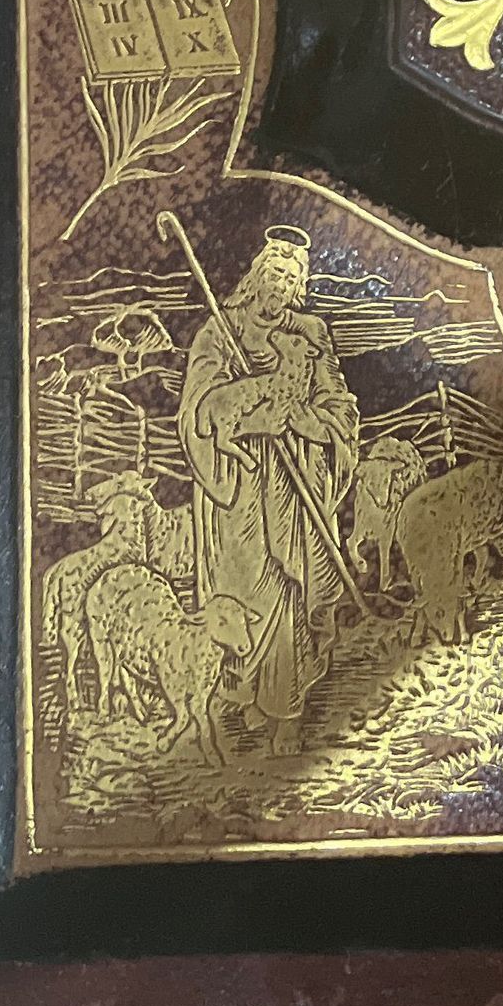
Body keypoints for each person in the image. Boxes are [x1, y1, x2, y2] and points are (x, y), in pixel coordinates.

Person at [177, 225, 359, 747]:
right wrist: (251, 417)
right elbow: (196, 411)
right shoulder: (219, 330)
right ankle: (246, 693)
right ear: (257, 275)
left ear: (300, 286)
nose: (280, 285)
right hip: (236, 487)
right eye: (274, 273)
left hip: (296, 481)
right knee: (244, 591)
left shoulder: (311, 333)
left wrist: (308, 423)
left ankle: (285, 710)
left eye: (291, 278)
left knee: (290, 587)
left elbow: (340, 407)